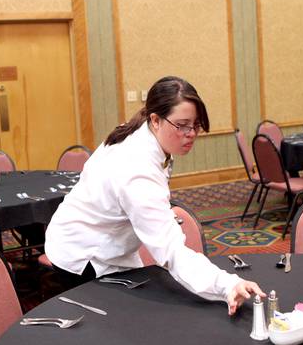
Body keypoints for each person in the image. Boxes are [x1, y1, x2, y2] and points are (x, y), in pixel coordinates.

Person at [44, 76, 265, 315]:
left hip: (106, 239)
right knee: (109, 322)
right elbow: (171, 251)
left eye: (196, 125)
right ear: (156, 120)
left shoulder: (145, 132)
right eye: (182, 125)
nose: (191, 134)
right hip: (83, 252)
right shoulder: (136, 169)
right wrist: (227, 284)